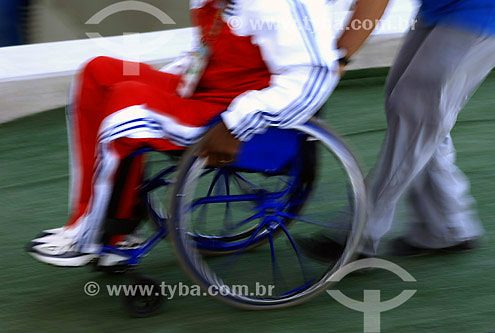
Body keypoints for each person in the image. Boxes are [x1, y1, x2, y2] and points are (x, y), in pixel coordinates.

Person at [28, 0, 387, 267]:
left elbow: (312, 79)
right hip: (210, 92)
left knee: (126, 105)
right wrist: (171, 82)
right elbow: (208, 51)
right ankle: (102, 224)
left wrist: (234, 125)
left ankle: (91, 236)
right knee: (99, 73)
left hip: (243, 114)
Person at [300, 0, 495, 260]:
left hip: (484, 11)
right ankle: (445, 224)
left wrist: (339, 58)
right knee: (411, 107)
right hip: (439, 7)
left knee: (415, 107)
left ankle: (360, 231)